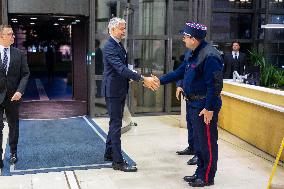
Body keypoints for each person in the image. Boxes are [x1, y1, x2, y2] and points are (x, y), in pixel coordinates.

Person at [153, 21, 223, 187]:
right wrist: (159, 80)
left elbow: (215, 85)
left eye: (185, 36)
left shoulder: (210, 55)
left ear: (194, 39)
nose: (183, 39)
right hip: (193, 104)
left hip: (204, 106)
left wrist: (209, 108)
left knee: (207, 143)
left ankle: (207, 177)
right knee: (199, 143)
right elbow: (179, 72)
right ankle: (199, 172)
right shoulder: (192, 53)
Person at [102, 17, 158, 172]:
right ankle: (118, 162)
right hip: (113, 91)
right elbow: (120, 68)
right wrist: (141, 78)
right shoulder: (109, 46)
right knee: (116, 124)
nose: (124, 31)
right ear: (112, 29)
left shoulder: (118, 45)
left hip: (119, 89)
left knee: (115, 122)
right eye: (121, 28)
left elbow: (125, 67)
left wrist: (134, 74)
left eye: (124, 28)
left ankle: (108, 153)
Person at [0, 25, 30, 171]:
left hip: (13, 96)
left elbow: (25, 73)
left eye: (13, 34)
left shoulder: (19, 53)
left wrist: (20, 90)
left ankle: (13, 152)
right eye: (10, 34)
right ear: (1, 36)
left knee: (13, 126)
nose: (13, 36)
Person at [175, 50, 199, 166]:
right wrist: (179, 85)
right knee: (190, 122)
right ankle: (192, 147)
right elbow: (182, 72)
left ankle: (199, 154)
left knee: (198, 127)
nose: (184, 40)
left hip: (199, 99)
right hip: (189, 97)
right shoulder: (188, 55)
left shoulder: (205, 55)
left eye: (186, 37)